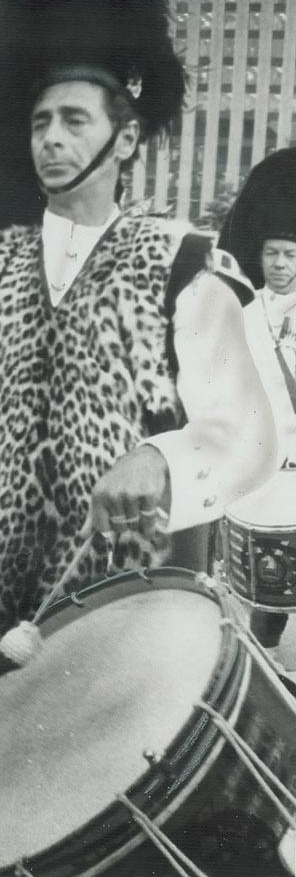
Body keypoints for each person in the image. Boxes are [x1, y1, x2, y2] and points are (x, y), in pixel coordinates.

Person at [0, 0, 278, 718]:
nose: (52, 139)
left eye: (74, 120)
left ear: (126, 137)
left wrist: (162, 458)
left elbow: (252, 431)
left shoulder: (186, 264)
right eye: (39, 122)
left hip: (135, 604)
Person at [213, 149, 296, 668]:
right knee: (251, 568)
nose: (281, 266)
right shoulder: (243, 311)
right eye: (273, 255)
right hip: (257, 459)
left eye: (291, 255)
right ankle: (252, 658)